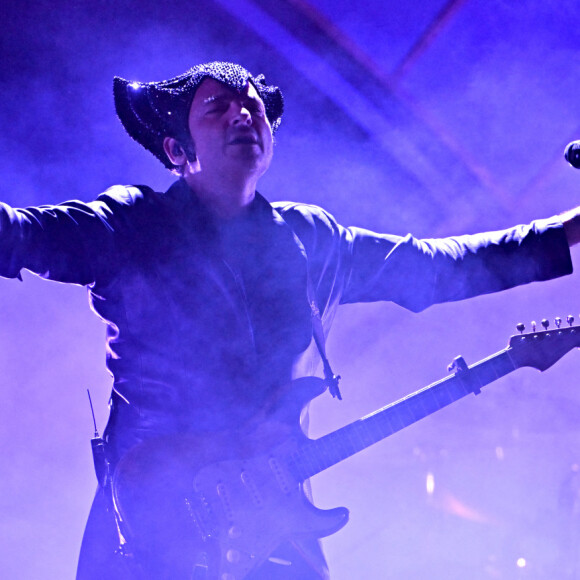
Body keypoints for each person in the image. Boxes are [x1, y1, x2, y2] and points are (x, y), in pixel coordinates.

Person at [2, 61, 580, 579]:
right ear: (178, 152)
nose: (242, 113)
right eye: (217, 107)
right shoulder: (135, 223)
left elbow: (433, 268)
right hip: (157, 518)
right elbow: (28, 233)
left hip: (276, 522)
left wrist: (568, 231)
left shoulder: (313, 240)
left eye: (252, 103)